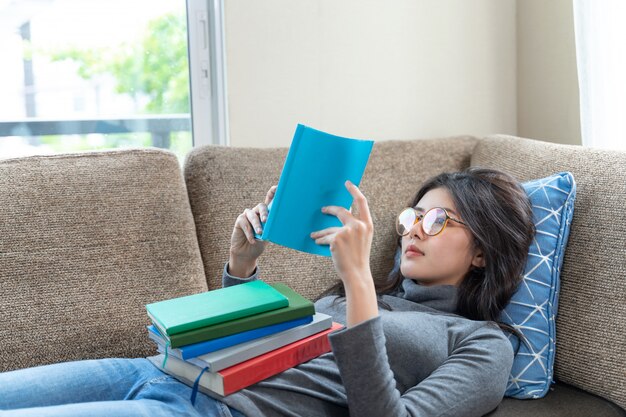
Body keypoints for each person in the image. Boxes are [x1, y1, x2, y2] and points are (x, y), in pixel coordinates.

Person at [0, 167, 535, 417]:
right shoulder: (368, 294)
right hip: (151, 369)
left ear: (484, 252)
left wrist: (356, 283)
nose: (414, 229)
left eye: (439, 220)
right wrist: (242, 264)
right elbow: (253, 340)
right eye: (413, 215)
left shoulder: (483, 345)